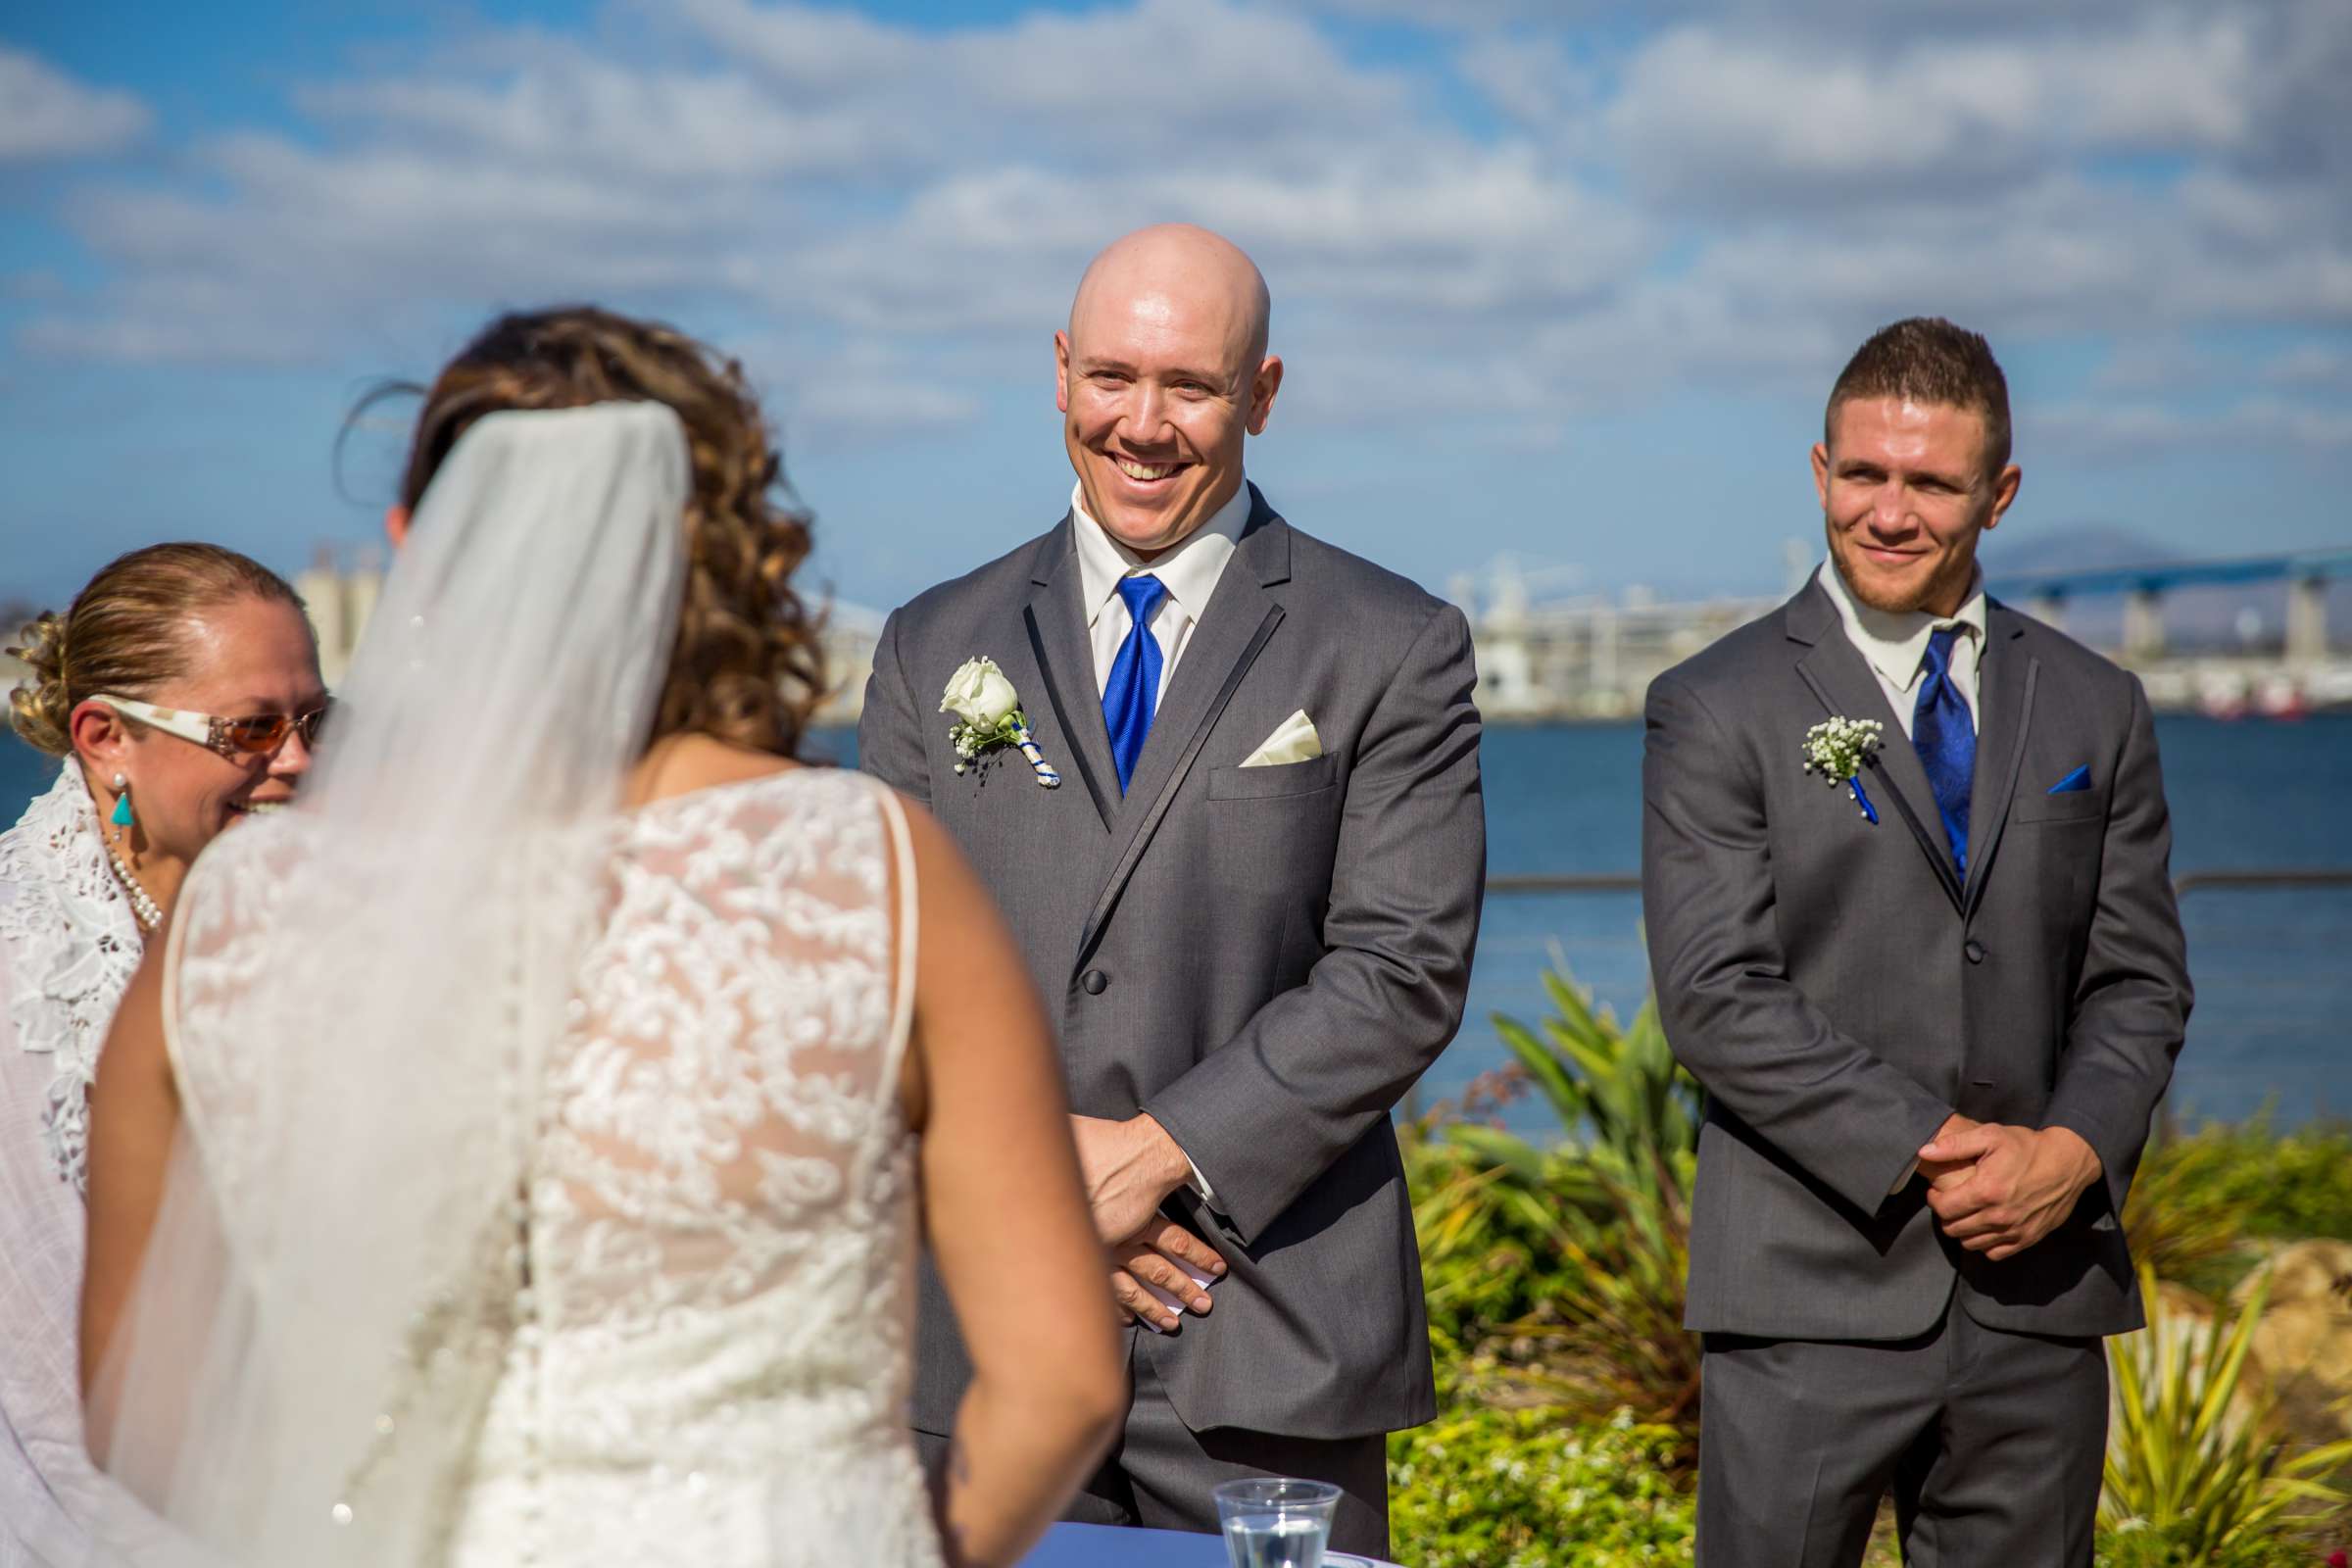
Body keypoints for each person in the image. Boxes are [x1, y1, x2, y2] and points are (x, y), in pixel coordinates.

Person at [77, 307, 1122, 1568]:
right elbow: (1061, 1381)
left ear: (416, 543)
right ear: (719, 556)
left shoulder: (231, 920)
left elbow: (139, 1413)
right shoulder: (868, 871)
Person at [859, 224, 1485, 1558]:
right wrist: (1041, 1190)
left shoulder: (1394, 643)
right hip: (973, 1335)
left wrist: (1152, 1162)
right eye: (1113, 378)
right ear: (1060, 373)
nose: (1144, 425)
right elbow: (885, 977)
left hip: (1263, 1329)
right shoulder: (929, 647)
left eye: (1190, 387)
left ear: (1261, 394)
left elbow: (1402, 967)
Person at [1642, 317, 2191, 1565]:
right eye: (1863, 474)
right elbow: (1717, 995)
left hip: (2038, 1296)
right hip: (1805, 1292)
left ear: (1998, 495)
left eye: (1932, 483)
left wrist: (2069, 1153)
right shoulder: (1713, 705)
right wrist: (1939, 1150)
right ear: (1821, 468)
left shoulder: (2097, 705)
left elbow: (2139, 980)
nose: (1889, 513)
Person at [0, 543, 321, 1567]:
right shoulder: (24, 981)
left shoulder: (332, 909)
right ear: (106, 739)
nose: (300, 761)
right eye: (253, 728)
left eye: (318, 720)